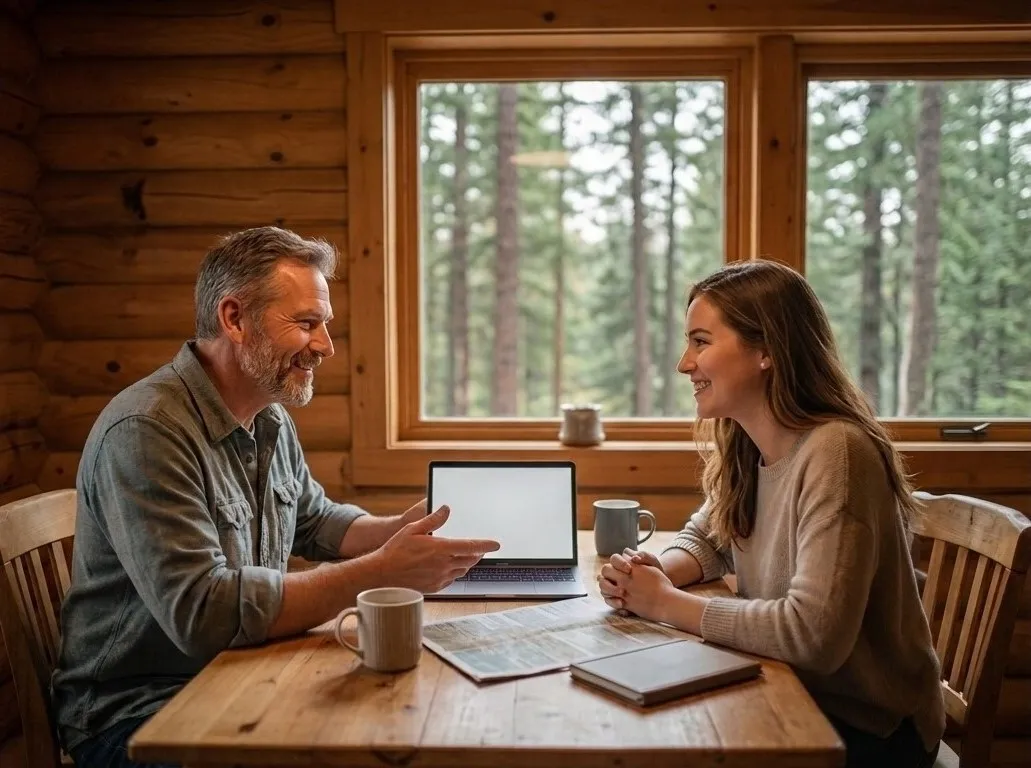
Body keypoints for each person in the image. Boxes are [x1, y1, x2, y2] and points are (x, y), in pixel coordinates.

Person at [51, 226, 500, 768]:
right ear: (234, 319)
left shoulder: (270, 416)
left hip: (236, 673)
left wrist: (394, 533)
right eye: (306, 324)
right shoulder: (147, 430)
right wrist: (381, 570)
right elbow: (204, 613)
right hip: (137, 715)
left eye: (325, 325)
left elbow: (313, 519)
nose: (326, 346)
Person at [599, 260, 944, 768]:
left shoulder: (837, 454)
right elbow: (710, 537)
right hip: (795, 693)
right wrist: (652, 574)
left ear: (765, 351)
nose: (684, 364)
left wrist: (665, 604)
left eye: (700, 342)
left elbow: (812, 636)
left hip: (869, 727)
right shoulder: (750, 442)